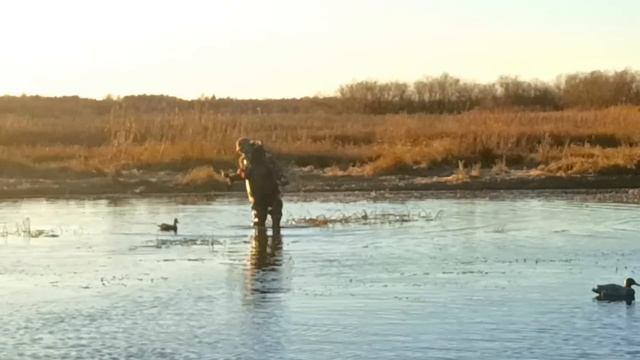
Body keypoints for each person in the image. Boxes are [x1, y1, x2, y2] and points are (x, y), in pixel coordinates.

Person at [226, 138, 286, 232]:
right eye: (241, 151)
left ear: (249, 147)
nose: (243, 153)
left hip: (265, 194)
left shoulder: (262, 158)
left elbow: (246, 174)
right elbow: (244, 174)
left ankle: (271, 240)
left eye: (243, 150)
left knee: (262, 223)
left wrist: (281, 178)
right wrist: (232, 178)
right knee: (262, 222)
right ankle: (273, 239)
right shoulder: (248, 160)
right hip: (263, 196)